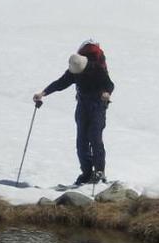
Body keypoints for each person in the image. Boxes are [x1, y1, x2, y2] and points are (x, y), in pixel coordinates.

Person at [34, 41, 114, 185]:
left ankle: (99, 172)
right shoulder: (74, 70)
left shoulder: (97, 69)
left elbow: (110, 84)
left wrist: (107, 93)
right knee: (81, 141)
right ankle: (87, 173)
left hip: (98, 105)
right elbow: (61, 83)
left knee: (95, 137)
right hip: (82, 105)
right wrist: (43, 93)